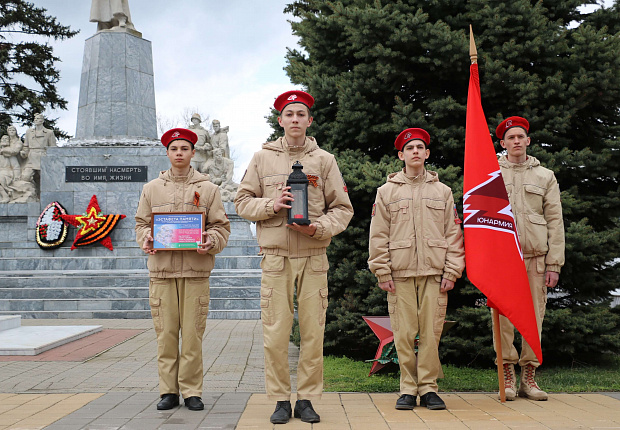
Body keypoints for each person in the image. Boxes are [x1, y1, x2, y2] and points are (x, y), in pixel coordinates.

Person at [234, 90, 353, 424]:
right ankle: (280, 400)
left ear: (310, 120)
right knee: (275, 333)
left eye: (302, 114)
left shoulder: (324, 161)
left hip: (314, 256)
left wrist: (318, 228)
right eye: (290, 114)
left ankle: (307, 400)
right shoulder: (262, 158)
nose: (296, 119)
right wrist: (270, 205)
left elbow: (342, 209)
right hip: (276, 258)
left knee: (313, 334)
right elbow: (242, 202)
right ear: (280, 120)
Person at [368, 128, 465, 411]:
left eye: (420, 147)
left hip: (435, 274)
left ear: (427, 154)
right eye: (409, 148)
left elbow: (453, 234)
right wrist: (382, 271)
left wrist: (452, 270)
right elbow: (378, 234)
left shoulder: (442, 191)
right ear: (401, 155)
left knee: (432, 333)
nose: (415, 152)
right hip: (400, 274)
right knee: (404, 333)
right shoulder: (386, 192)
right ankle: (408, 389)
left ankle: (429, 388)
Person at [135, 128, 230, 411]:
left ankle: (191, 391)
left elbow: (221, 227)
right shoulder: (151, 189)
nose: (179, 153)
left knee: (191, 336)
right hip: (162, 273)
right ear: (167, 153)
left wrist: (209, 241)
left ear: (192, 153)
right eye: (174, 148)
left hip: (195, 272)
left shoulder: (209, 188)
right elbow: (141, 224)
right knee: (165, 335)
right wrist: (146, 239)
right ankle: (168, 391)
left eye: (184, 149)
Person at [494, 116, 564, 401]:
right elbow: (481, 217)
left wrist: (554, 263)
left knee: (533, 318)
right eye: (511, 138)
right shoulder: (491, 174)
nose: (516, 141)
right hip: (503, 260)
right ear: (503, 143)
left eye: (521, 136)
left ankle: (529, 377)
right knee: (504, 319)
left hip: (536, 258)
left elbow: (555, 220)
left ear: (528, 141)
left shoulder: (544, 176)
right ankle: (507, 375)